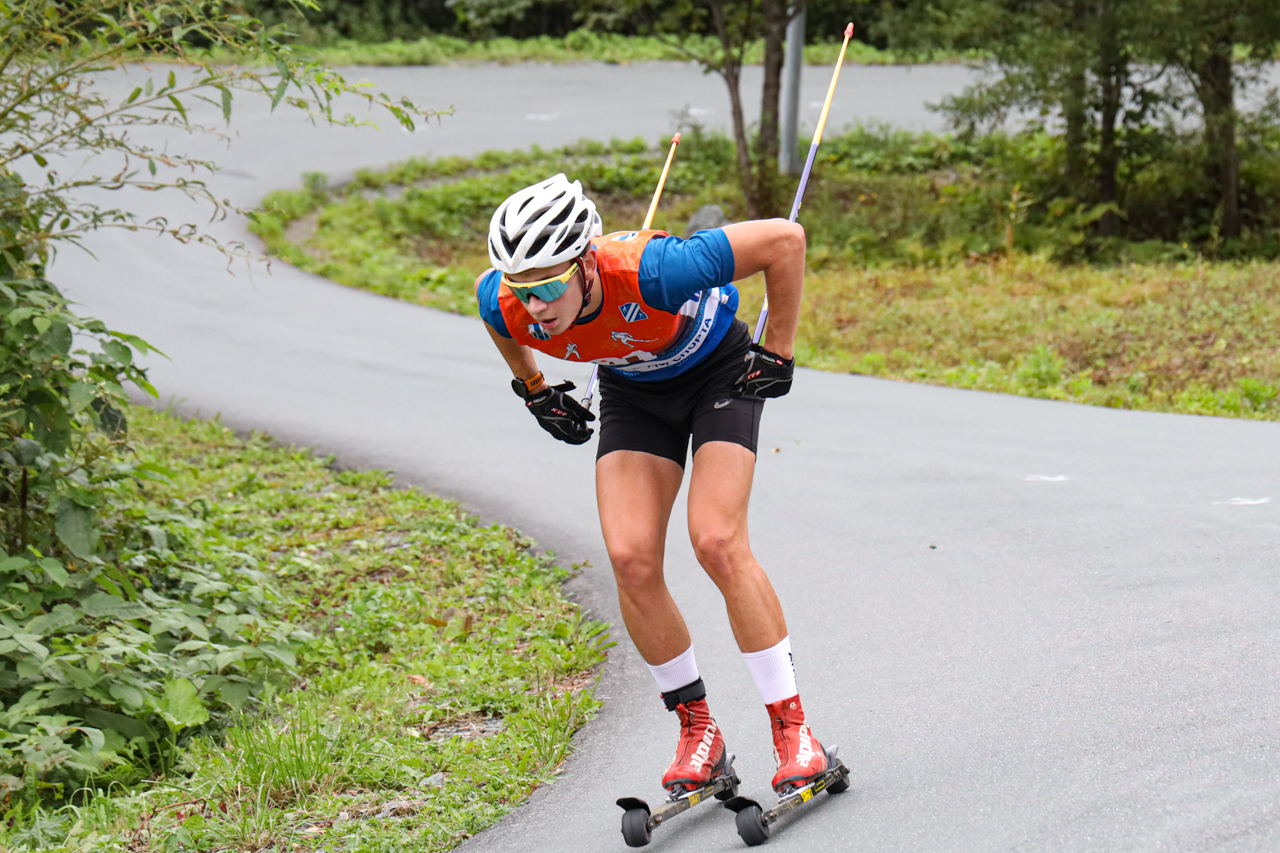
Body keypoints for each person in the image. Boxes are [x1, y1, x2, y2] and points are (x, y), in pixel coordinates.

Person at [475, 173, 829, 795]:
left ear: (586, 263)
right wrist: (534, 391)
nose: (535, 306)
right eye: (522, 289)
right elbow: (500, 322)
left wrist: (780, 352)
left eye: (549, 285)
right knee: (631, 558)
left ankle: (793, 730)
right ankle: (699, 733)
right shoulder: (502, 301)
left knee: (717, 541)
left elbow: (786, 240)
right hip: (634, 396)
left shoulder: (654, 270)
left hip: (718, 374)